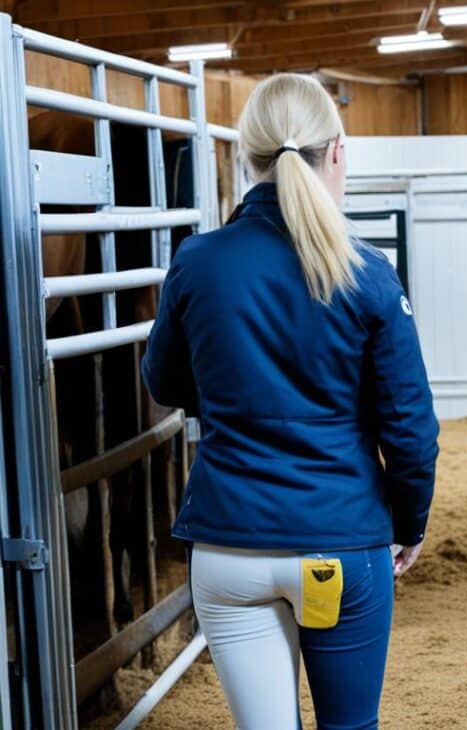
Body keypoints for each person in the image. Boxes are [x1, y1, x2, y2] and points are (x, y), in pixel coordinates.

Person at [142, 72, 439, 730]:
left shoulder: (197, 261)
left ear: (247, 159)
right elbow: (410, 430)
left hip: (228, 549)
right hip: (339, 542)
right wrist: (409, 522)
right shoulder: (368, 272)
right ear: (337, 151)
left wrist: (233, 392)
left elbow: (163, 384)